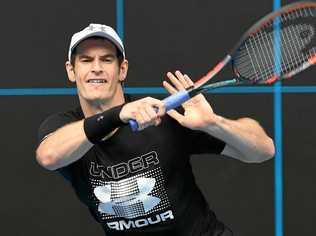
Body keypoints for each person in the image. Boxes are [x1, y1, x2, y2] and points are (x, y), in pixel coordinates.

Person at [36, 23, 275, 236]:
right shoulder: (63, 128)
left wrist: (213, 123)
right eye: (86, 60)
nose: (96, 68)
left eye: (107, 60)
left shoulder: (165, 118)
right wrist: (118, 115)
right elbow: (49, 155)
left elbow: (263, 150)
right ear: (71, 70)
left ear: (122, 70)